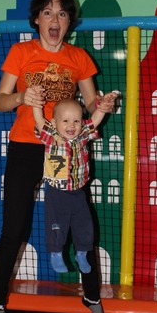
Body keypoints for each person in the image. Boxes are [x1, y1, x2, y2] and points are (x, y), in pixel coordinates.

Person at [0, 0, 114, 313]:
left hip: (64, 153)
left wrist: (102, 105)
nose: (55, 19)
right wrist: (21, 96)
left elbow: (90, 103)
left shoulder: (78, 57)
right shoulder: (21, 52)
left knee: (81, 224)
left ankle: (92, 296)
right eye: (47, 12)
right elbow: (0, 101)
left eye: (61, 13)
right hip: (27, 147)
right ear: (36, 20)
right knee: (14, 228)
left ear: (69, 21)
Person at [32, 94, 118, 275]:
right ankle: (56, 253)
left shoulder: (83, 135)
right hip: (57, 192)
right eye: (65, 121)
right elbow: (39, 120)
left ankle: (82, 253)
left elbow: (95, 120)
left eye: (76, 121)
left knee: (84, 224)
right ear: (54, 123)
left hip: (78, 191)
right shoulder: (51, 137)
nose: (71, 125)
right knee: (57, 224)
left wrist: (102, 107)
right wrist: (36, 103)